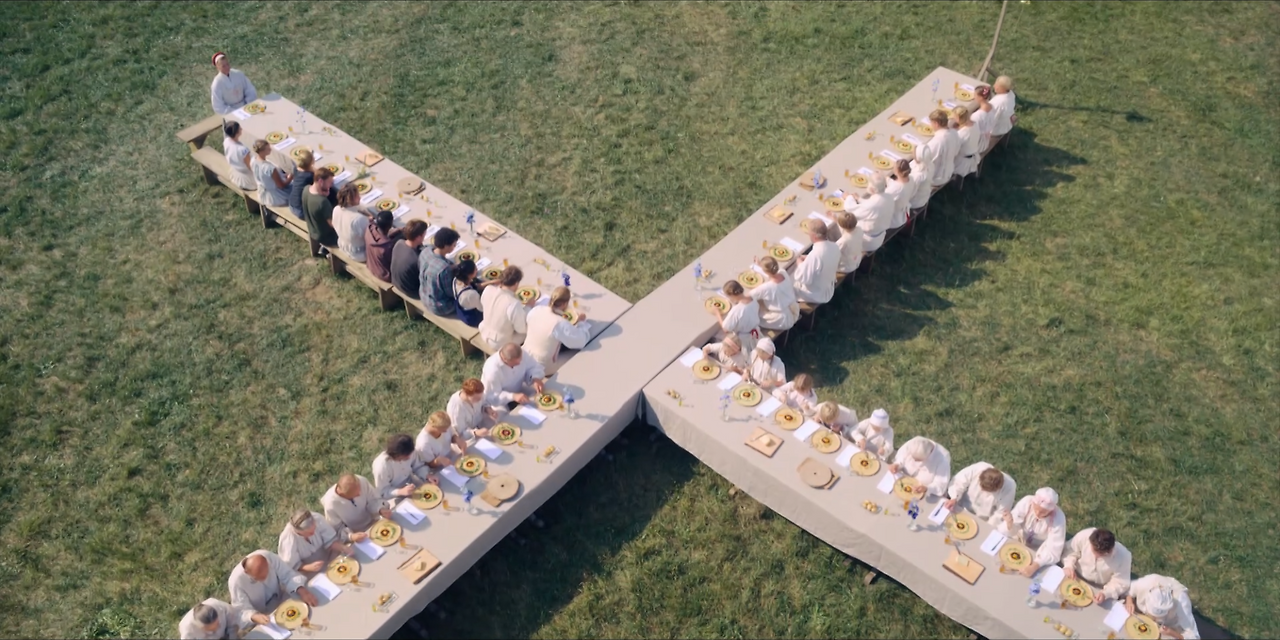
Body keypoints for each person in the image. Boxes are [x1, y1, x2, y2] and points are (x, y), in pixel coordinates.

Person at [998, 487, 1068, 577]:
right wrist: (1010, 524)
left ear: (1051, 510)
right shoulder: (1027, 502)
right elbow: (1013, 527)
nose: (1038, 513)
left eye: (1043, 512)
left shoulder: (1058, 518)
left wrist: (1035, 566)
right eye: (1036, 508)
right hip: (1018, 539)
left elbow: (1053, 550)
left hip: (1039, 552)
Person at [227, 550, 317, 617]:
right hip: (262, 614)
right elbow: (242, 610)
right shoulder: (236, 582)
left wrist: (302, 590)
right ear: (247, 572)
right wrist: (255, 616)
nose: (265, 579)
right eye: (260, 578)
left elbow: (287, 574)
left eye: (266, 574)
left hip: (281, 598)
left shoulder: (268, 557)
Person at [525, 286, 592, 368]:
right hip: (542, 365)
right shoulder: (559, 323)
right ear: (565, 304)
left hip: (525, 355)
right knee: (578, 353)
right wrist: (581, 323)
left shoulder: (536, 310)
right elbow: (582, 341)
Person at [1063, 527, 1132, 604]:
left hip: (1098, 589)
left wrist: (1105, 593)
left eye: (1102, 555)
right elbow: (1070, 551)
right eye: (1094, 551)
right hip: (1074, 576)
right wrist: (1069, 565)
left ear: (1111, 550)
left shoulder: (1123, 556)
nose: (1097, 556)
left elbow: (1120, 582)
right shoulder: (1084, 536)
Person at [321, 474, 393, 543]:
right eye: (356, 494)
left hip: (375, 521)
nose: (360, 493)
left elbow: (373, 499)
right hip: (357, 534)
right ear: (344, 495)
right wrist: (351, 536)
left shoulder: (362, 481)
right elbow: (337, 529)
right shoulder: (330, 505)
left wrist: (380, 509)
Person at [1126, 575, 1200, 640]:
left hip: (1168, 630)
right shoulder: (1147, 582)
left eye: (1157, 617)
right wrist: (1129, 601)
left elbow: (1195, 637)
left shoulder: (1182, 603)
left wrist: (1172, 633)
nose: (1153, 619)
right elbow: (1129, 589)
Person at [943, 462, 1016, 526]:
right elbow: (959, 481)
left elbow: (1000, 514)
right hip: (960, 506)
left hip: (982, 520)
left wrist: (987, 527)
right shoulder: (980, 468)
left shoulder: (1009, 487)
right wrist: (954, 497)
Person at [276, 509, 347, 574]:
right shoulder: (288, 540)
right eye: (309, 533)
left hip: (328, 557)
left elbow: (330, 540)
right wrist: (308, 567)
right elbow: (292, 566)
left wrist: (343, 548)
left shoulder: (317, 519)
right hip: (308, 572)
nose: (313, 533)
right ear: (299, 532)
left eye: (314, 529)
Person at [479, 266, 531, 349]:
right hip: (499, 343)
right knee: (529, 331)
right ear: (516, 284)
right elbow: (521, 329)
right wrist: (528, 307)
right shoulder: (513, 304)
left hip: (484, 331)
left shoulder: (488, 289)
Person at [480, 343, 547, 408]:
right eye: (516, 363)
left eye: (520, 360)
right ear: (505, 359)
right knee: (503, 415)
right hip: (499, 401)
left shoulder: (521, 353)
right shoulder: (492, 370)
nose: (520, 363)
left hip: (519, 388)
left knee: (541, 395)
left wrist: (535, 378)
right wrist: (512, 396)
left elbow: (533, 366)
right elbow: (493, 396)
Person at [792, 220, 841, 304]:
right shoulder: (834, 246)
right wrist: (808, 259)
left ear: (814, 236)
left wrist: (799, 263)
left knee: (788, 276)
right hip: (827, 286)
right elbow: (823, 261)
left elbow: (803, 278)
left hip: (815, 294)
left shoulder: (815, 255)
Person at [847, 174, 895, 253]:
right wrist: (859, 199)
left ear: (872, 189)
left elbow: (852, 212)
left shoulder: (871, 205)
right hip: (879, 235)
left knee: (843, 224)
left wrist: (848, 198)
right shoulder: (888, 197)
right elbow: (872, 206)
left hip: (866, 240)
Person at [373, 433, 428, 501]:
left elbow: (418, 466)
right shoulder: (381, 467)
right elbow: (383, 492)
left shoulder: (409, 451)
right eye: (406, 456)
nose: (409, 457)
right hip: (394, 495)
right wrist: (400, 491)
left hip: (411, 483)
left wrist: (426, 475)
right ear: (396, 454)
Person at [419, 227, 461, 315]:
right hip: (439, 306)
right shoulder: (444, 269)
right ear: (446, 246)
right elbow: (451, 293)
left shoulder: (426, 251)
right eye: (454, 245)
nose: (454, 247)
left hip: (423, 294)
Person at [751, 256, 799, 332]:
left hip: (780, 319)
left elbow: (750, 296)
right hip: (793, 309)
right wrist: (761, 265)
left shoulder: (767, 287)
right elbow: (773, 274)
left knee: (754, 307)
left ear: (765, 270)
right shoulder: (783, 273)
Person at [286, 149, 335, 220]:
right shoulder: (309, 176)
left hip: (292, 204)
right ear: (311, 162)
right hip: (301, 210)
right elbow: (320, 183)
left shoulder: (296, 169)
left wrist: (312, 168)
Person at [917, 109, 959, 190]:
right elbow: (956, 151)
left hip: (936, 178)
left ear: (936, 124)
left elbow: (923, 160)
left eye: (931, 123)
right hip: (949, 171)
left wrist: (915, 153)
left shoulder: (936, 142)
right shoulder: (954, 133)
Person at [714, 280, 760, 354]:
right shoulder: (752, 299)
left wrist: (717, 313)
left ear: (732, 295)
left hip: (743, 338)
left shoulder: (737, 310)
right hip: (754, 330)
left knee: (716, 337)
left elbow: (725, 329)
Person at [179, 598, 261, 639]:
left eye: (218, 624)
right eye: (210, 629)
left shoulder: (219, 607)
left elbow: (236, 617)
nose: (216, 630)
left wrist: (252, 617)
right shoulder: (187, 630)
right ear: (201, 627)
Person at [447, 378, 499, 442]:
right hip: (466, 437)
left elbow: (484, 402)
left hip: (480, 422)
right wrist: (475, 433)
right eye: (477, 399)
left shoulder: (478, 395)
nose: (480, 400)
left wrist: (488, 409)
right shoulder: (456, 408)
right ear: (466, 394)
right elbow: (460, 433)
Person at [330, 183, 371, 261]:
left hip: (343, 245)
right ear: (350, 199)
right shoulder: (358, 219)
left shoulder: (336, 209)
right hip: (359, 254)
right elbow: (371, 237)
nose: (360, 197)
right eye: (357, 196)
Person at [302, 166, 338, 249]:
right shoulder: (322, 202)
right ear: (321, 181)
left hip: (312, 230)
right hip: (327, 237)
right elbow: (334, 225)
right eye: (329, 182)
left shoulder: (306, 189)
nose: (331, 185)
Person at [390, 220, 428, 296]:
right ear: (418, 237)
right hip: (411, 291)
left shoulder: (399, 243)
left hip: (396, 281)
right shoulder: (416, 259)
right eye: (424, 234)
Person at [251, 140, 293, 207]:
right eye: (268, 149)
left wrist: (284, 175)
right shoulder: (269, 168)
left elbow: (266, 177)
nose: (270, 149)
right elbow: (281, 185)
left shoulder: (253, 160)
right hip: (275, 196)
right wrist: (291, 177)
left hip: (263, 191)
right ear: (262, 151)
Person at [365, 210, 401, 282]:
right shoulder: (387, 247)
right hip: (384, 274)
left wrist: (397, 230)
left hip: (371, 265)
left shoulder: (370, 229)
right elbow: (395, 263)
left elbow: (383, 235)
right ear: (390, 226)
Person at [221, 121, 256, 191]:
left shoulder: (226, 141)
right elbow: (250, 167)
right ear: (237, 133)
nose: (241, 129)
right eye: (240, 129)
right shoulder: (242, 150)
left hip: (236, 170)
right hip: (247, 179)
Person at [450, 258, 485, 327]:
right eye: (475, 269)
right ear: (470, 275)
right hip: (473, 317)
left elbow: (476, 286)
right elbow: (482, 309)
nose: (477, 270)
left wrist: (493, 282)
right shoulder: (471, 294)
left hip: (463, 307)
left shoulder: (456, 280)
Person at [951, 106, 983, 178]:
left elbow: (954, 149)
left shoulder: (962, 133)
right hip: (972, 153)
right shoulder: (975, 124)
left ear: (958, 118)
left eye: (954, 117)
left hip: (962, 161)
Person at [884, 160, 915, 230]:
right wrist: (887, 179)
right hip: (902, 213)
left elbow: (882, 198)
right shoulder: (911, 179)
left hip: (892, 220)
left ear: (897, 171)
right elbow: (895, 184)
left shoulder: (896, 188)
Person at [989, 75, 1017, 142]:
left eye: (997, 86)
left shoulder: (998, 103)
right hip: (1007, 124)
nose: (994, 86)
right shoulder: (1011, 94)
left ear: (1003, 88)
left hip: (996, 130)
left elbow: (991, 120)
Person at [971, 85, 996, 155]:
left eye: (975, 95)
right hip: (986, 139)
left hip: (978, 144)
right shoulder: (992, 107)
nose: (974, 97)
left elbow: (972, 132)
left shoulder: (977, 116)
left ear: (981, 97)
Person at [906, 157, 931, 223]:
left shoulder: (918, 176)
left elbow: (911, 194)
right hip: (924, 195)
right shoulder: (930, 165)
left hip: (915, 201)